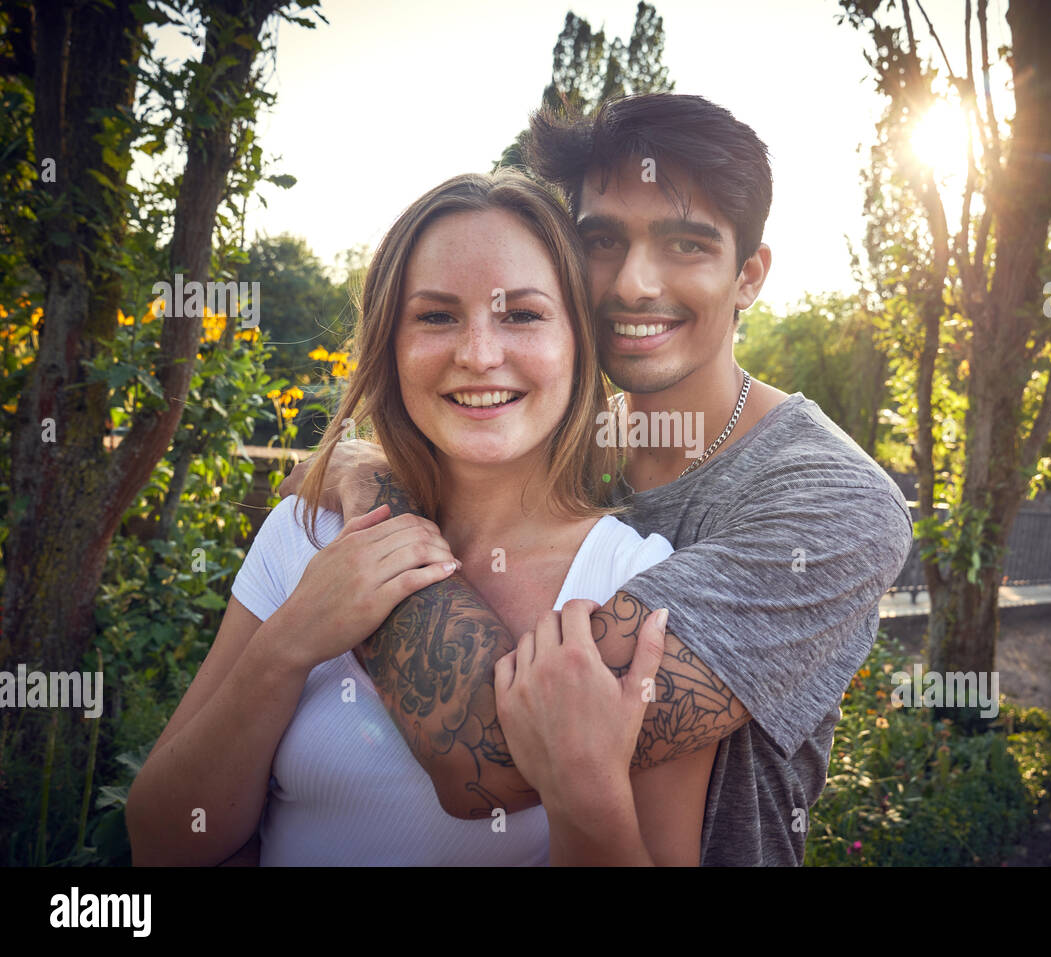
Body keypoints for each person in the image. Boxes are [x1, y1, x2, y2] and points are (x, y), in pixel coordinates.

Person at [284, 93, 916, 865]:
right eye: (601, 239)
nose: (632, 285)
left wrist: (374, 492)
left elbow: (497, 752)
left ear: (749, 275)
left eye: (687, 244)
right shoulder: (546, 441)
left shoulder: (830, 502)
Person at [124, 170, 711, 866]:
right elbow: (164, 841)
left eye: (521, 314)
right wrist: (287, 644)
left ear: (578, 343)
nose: (478, 354)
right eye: (436, 316)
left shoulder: (636, 583)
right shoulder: (306, 532)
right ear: (390, 344)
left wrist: (586, 794)